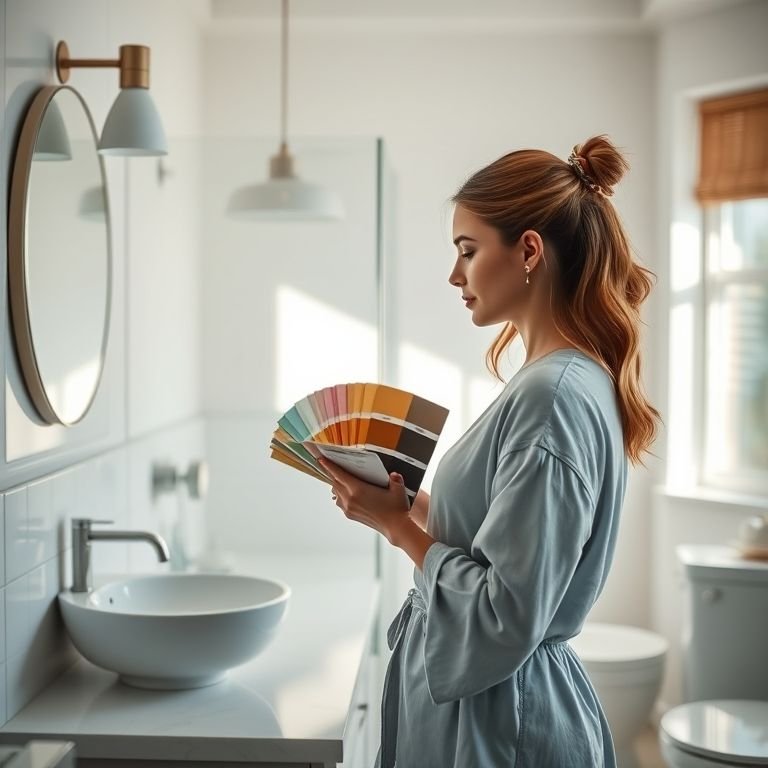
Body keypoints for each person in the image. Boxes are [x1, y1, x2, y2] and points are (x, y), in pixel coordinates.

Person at [319, 134, 660, 768]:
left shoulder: (552, 397)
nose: (455, 275)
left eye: (468, 251)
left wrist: (397, 529)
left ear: (528, 249)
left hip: (502, 722)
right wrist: (408, 505)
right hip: (497, 706)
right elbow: (498, 540)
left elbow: (505, 612)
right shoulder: (557, 380)